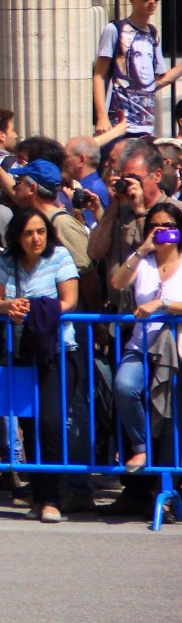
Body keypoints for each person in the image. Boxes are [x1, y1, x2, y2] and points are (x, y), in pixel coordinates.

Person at [0, 205, 81, 523]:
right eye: (28, 233)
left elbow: (69, 300)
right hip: (21, 353)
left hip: (57, 352)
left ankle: (52, 499)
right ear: (17, 236)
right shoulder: (8, 260)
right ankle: (39, 495)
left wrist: (38, 309)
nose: (36, 238)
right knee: (29, 427)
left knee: (52, 424)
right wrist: (9, 306)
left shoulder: (60, 257)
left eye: (41, 231)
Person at [108, 199, 182, 473]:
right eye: (155, 226)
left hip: (176, 348)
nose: (162, 231)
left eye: (169, 226)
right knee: (125, 386)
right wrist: (141, 250)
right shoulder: (142, 260)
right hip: (140, 346)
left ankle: (168, 484)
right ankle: (140, 448)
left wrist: (161, 305)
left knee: (172, 416)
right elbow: (117, 283)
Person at [95, 0, 180, 137]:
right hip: (119, 124)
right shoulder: (115, 30)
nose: (152, 1)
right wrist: (102, 116)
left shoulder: (153, 34)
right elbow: (99, 75)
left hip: (146, 125)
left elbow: (155, 82)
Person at [89, 137, 168, 312]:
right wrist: (114, 205)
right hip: (120, 317)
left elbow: (158, 255)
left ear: (157, 175)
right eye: (126, 178)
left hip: (156, 315)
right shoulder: (120, 212)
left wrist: (140, 210)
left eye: (136, 178)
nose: (130, 184)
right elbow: (95, 252)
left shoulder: (173, 211)